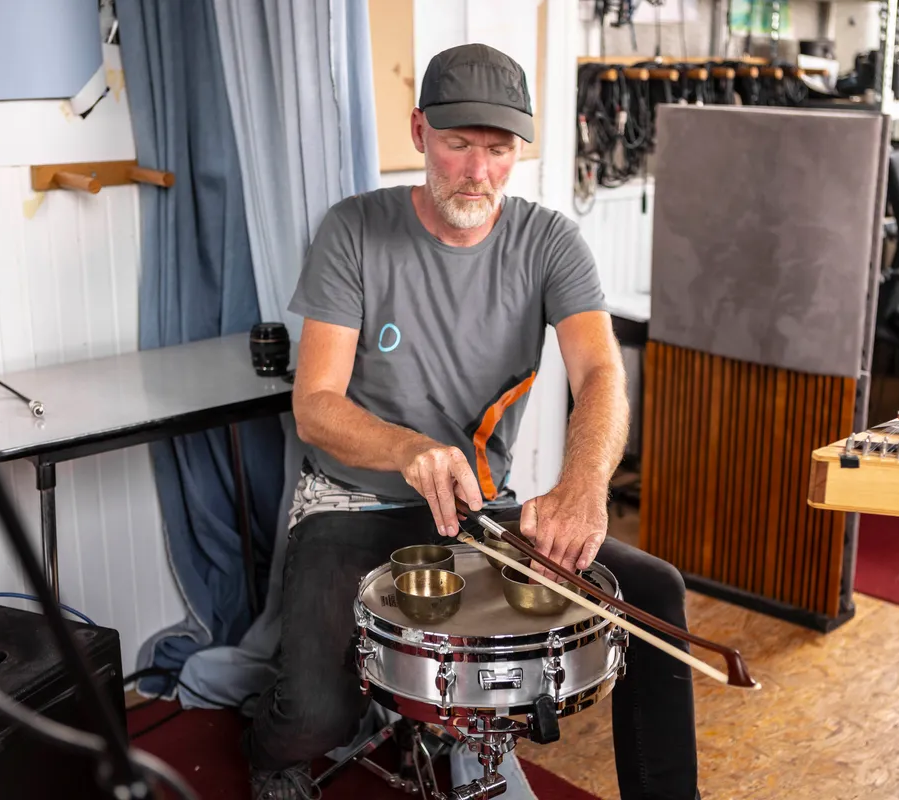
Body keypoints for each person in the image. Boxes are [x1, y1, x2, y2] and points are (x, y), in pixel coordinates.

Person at [243, 43, 700, 800]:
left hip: (476, 511)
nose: (478, 172)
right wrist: (409, 449)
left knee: (652, 594)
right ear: (420, 132)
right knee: (315, 717)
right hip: (353, 504)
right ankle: (270, 753)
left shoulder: (549, 241)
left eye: (499, 150)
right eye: (458, 144)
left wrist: (585, 485)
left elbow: (600, 374)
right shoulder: (353, 229)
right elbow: (314, 406)